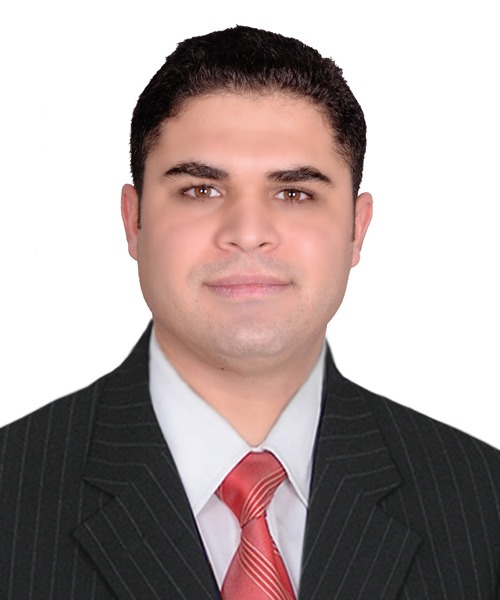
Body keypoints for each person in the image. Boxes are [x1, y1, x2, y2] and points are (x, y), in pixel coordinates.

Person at [1, 25, 499, 600]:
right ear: (133, 222)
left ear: (356, 230)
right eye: (201, 190)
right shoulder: (14, 491)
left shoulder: (482, 503)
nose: (247, 232)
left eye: (294, 193)